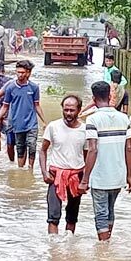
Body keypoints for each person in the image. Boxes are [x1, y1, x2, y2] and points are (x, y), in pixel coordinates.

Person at [79, 81, 131, 241]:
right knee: (110, 209)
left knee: (101, 212)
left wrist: (85, 179)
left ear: (94, 99)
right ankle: (107, 241)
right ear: (110, 96)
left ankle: (103, 247)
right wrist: (129, 176)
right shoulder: (124, 118)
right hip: (118, 175)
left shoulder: (92, 120)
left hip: (100, 176)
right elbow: (129, 148)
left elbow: (92, 149)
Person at [39, 95, 87, 235]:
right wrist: (44, 173)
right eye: (66, 110)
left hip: (76, 176)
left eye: (72, 110)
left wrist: (86, 179)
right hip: (55, 175)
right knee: (53, 217)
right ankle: (54, 250)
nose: (68, 113)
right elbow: (43, 150)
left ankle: (69, 246)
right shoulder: (53, 127)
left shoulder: (85, 130)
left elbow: (87, 155)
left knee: (72, 217)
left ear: (79, 110)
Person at [0, 60, 46, 169]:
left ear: (27, 73)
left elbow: (37, 105)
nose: (20, 75)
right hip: (17, 124)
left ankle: (30, 168)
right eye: (18, 72)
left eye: (22, 72)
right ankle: (21, 170)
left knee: (32, 145)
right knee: (20, 148)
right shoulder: (11, 87)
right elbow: (5, 106)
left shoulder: (34, 87)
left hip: (31, 123)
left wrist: (44, 121)